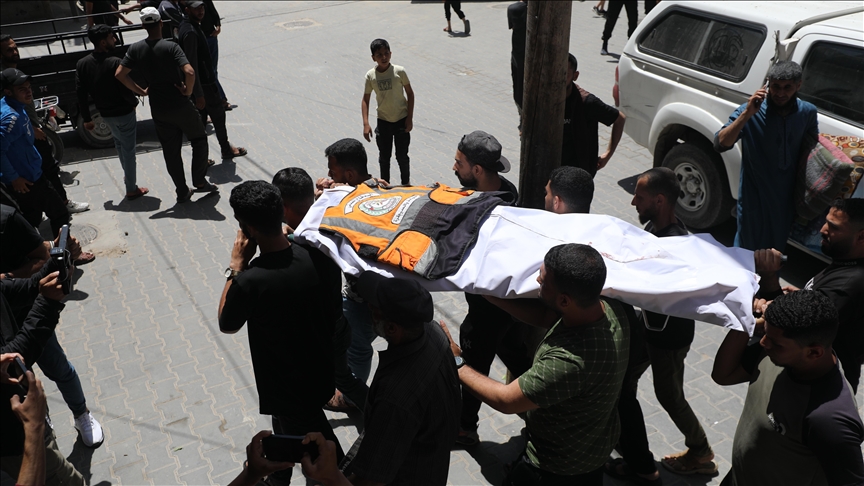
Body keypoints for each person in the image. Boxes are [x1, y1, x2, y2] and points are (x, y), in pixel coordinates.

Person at [447, 243, 630, 485]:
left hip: (556, 467)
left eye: (543, 282)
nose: (536, 280)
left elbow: (505, 400)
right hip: (592, 448)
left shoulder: (568, 361)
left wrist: (457, 362)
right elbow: (547, 317)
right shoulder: (611, 310)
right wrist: (492, 298)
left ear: (564, 300)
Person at [218, 181, 344, 485]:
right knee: (286, 433)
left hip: (287, 390)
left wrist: (236, 266)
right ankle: (278, 476)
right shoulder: (318, 254)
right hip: (319, 373)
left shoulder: (250, 281)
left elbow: (226, 323)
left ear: (247, 230)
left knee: (326, 454)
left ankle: (342, 477)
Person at [606, 168, 715, 485]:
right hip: (648, 329)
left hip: (668, 337)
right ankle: (625, 439)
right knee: (622, 382)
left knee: (669, 396)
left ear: (660, 200)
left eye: (639, 197)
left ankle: (701, 452)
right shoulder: (655, 228)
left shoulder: (677, 243)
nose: (633, 203)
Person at [712, 290, 864, 486]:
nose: (763, 343)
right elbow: (723, 375)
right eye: (765, 333)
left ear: (814, 352)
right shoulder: (778, 353)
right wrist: (746, 321)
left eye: (776, 343)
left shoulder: (829, 419)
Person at [337, 271, 460, 485]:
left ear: (392, 328)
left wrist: (328, 476)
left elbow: (370, 480)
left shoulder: (394, 395)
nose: (368, 309)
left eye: (372, 309)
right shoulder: (433, 331)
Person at [450, 131, 530, 445]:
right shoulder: (505, 190)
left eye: (459, 163)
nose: (454, 168)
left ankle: (464, 427)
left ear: (478, 170)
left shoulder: (495, 210)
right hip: (508, 305)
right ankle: (543, 411)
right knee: (515, 354)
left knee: (473, 366)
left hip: (490, 306)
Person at [272, 167, 369, 413]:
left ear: (283, 207)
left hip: (323, 332)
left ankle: (380, 412)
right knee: (343, 376)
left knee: (339, 379)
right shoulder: (326, 223)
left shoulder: (298, 247)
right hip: (337, 322)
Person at [754, 198, 864, 392]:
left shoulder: (845, 288)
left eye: (834, 227)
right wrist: (810, 296)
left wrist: (768, 279)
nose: (822, 229)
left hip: (813, 388)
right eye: (826, 222)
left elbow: (787, 327)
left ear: (861, 237)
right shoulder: (847, 263)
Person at [116, 6, 218, 203]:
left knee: (171, 151)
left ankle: (182, 190)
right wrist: (188, 91)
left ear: (143, 26)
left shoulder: (135, 49)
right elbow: (189, 72)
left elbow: (120, 74)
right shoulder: (171, 46)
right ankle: (199, 181)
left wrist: (141, 90)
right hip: (181, 105)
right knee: (199, 139)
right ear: (161, 23)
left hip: (159, 108)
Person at [715, 61, 818, 251]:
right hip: (753, 201)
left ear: (798, 85)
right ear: (768, 84)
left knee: (773, 256)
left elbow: (812, 149)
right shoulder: (750, 110)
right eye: (776, 86)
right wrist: (747, 114)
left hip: (784, 204)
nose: (780, 93)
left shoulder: (807, 112)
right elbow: (721, 143)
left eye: (787, 87)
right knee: (745, 255)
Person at [1, 263, 85, 485]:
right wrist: (47, 304)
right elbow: (12, 360)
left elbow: (29, 286)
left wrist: (57, 263)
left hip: (30, 417)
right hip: (15, 437)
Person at [314, 139, 380, 412]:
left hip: (361, 298)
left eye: (333, 172)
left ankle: (352, 399)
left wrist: (321, 200)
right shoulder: (380, 188)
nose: (329, 176)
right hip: (387, 292)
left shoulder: (349, 205)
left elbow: (319, 233)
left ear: (350, 175)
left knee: (357, 348)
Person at [1, 37, 90, 216]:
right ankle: (60, 205)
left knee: (45, 169)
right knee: (46, 170)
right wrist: (31, 128)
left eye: (15, 48)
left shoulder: (16, 73)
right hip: (25, 133)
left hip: (30, 130)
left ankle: (54, 205)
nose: (15, 52)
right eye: (9, 50)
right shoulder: (5, 80)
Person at [76, 24, 149, 200]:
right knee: (128, 150)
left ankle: (128, 177)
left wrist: (87, 118)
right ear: (103, 42)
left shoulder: (82, 64)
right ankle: (131, 188)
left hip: (105, 114)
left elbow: (80, 93)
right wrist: (136, 99)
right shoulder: (115, 62)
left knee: (119, 145)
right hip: (123, 112)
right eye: (111, 37)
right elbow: (125, 87)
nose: (114, 40)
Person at [1, 68, 74, 238]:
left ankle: (39, 250)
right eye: (22, 89)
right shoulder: (10, 118)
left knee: (31, 219)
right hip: (27, 181)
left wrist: (32, 130)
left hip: (32, 174)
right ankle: (66, 250)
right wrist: (14, 178)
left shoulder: (16, 106)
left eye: (29, 87)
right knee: (60, 214)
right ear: (8, 91)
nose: (29, 92)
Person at [178, 0, 246, 160]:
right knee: (217, 117)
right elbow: (191, 66)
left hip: (204, 85)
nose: (200, 11)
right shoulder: (190, 32)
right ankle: (220, 152)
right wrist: (198, 94)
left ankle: (205, 157)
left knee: (203, 122)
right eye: (196, 8)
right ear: (187, 10)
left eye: (202, 7)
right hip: (204, 86)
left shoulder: (192, 26)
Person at [562, 54, 625, 178]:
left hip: (578, 173)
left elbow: (620, 118)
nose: (558, 78)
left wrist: (607, 154)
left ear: (575, 76)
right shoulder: (545, 97)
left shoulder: (587, 102)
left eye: (564, 74)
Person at [361, 39, 414, 185]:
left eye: (386, 53)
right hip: (383, 121)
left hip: (401, 120)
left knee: (402, 156)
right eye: (379, 55)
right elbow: (365, 99)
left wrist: (409, 118)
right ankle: (386, 186)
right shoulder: (370, 76)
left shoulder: (399, 71)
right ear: (373, 58)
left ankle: (406, 185)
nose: (383, 57)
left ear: (391, 53)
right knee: (384, 157)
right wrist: (366, 123)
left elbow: (410, 94)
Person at [199, 0, 232, 111]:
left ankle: (217, 98)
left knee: (213, 70)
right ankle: (220, 99)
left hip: (211, 36)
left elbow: (213, 11)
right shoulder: (186, 4)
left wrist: (218, 26)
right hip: (200, 39)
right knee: (209, 71)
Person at [508, 0, 527, 130]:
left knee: (519, 88)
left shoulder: (514, 9)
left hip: (518, 57)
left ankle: (523, 119)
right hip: (538, 56)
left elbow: (513, 28)